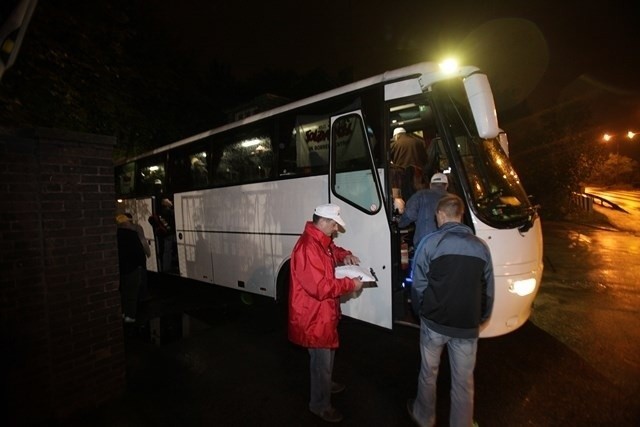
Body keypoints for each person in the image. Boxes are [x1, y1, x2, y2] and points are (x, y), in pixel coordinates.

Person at [407, 194, 494, 427]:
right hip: (466, 326)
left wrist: (420, 311)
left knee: (428, 373)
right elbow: (488, 290)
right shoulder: (481, 246)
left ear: (440, 215)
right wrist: (481, 317)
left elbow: (418, 285)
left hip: (434, 323)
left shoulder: (429, 243)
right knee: (463, 381)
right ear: (461, 215)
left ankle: (424, 417)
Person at [288, 203, 364, 423]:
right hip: (314, 315)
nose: (336, 230)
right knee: (321, 359)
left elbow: (332, 251)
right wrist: (350, 284)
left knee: (325, 356)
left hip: (320, 313)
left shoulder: (319, 240)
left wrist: (345, 255)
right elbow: (320, 288)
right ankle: (319, 405)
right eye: (334, 225)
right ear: (323, 222)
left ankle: (326, 384)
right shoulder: (307, 247)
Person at [398, 172, 450, 248]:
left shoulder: (420, 195)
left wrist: (399, 224)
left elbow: (408, 216)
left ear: (430, 185)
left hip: (424, 245)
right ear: (446, 186)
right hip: (447, 246)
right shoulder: (454, 200)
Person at [116, 214, 147, 323]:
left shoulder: (115, 235)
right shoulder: (132, 234)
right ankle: (130, 316)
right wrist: (142, 264)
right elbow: (139, 252)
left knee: (123, 292)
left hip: (121, 268)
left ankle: (123, 313)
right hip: (133, 268)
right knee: (132, 293)